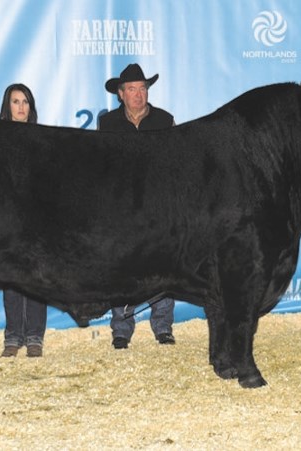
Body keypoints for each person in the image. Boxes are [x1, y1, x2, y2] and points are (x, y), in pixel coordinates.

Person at [98, 63, 176, 349]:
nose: (138, 94)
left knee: (163, 263)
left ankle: (163, 326)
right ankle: (121, 327)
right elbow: (104, 167)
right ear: (121, 94)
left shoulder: (165, 120)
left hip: (158, 204)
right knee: (121, 264)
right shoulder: (107, 124)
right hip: (122, 206)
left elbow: (175, 166)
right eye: (132, 89)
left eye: (142, 88)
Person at [0, 83, 48, 358]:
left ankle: (35, 337)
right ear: (8, 106)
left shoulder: (41, 137)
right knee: (11, 278)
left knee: (37, 277)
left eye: (25, 101)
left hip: (37, 217)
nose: (21, 107)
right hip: (8, 218)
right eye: (16, 101)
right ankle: (13, 336)